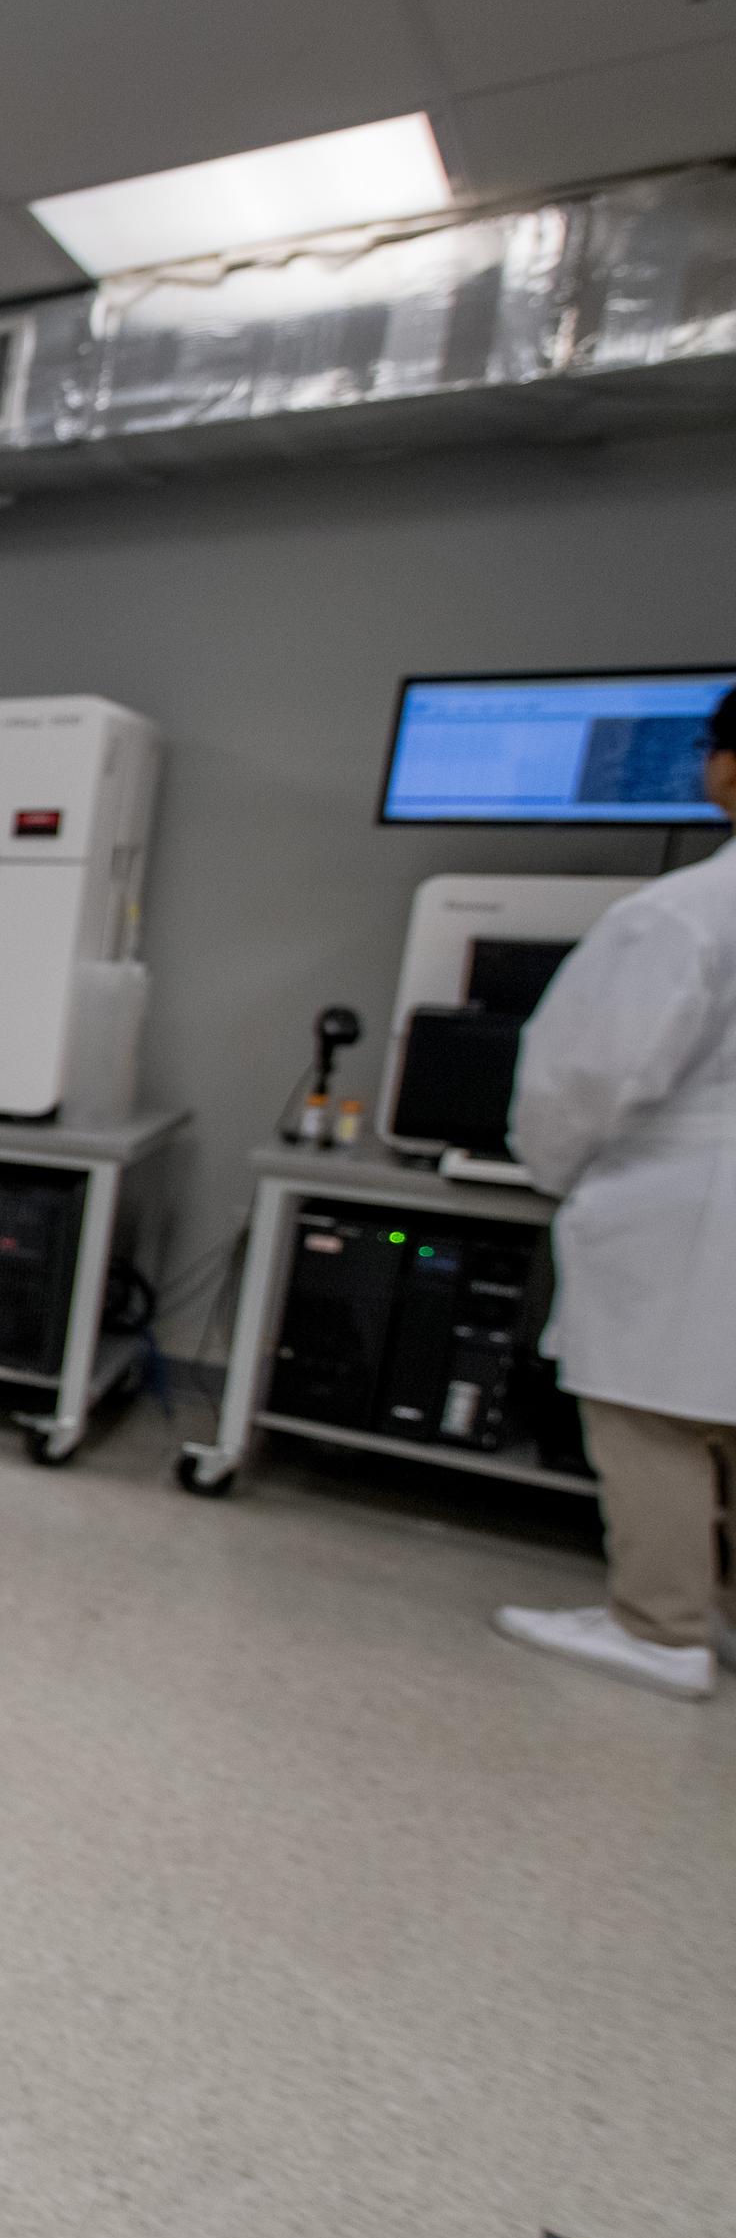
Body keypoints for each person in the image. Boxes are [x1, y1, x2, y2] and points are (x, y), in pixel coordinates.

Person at [495, 686, 736, 1700]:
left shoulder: (680, 912)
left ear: (725, 767)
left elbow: (587, 1075)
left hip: (688, 1202)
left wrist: (548, 1165)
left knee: (651, 1416)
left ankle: (660, 1624)